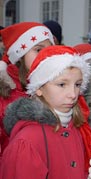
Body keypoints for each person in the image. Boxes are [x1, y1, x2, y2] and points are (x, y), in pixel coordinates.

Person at [0, 45, 91, 179]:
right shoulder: (27, 141)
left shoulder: (77, 129)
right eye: (62, 84)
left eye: (78, 84)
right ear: (39, 88)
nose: (73, 94)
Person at [0, 22, 55, 157]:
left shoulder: (55, 86)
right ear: (20, 55)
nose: (45, 55)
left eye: (50, 50)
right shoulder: (4, 93)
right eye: (38, 49)